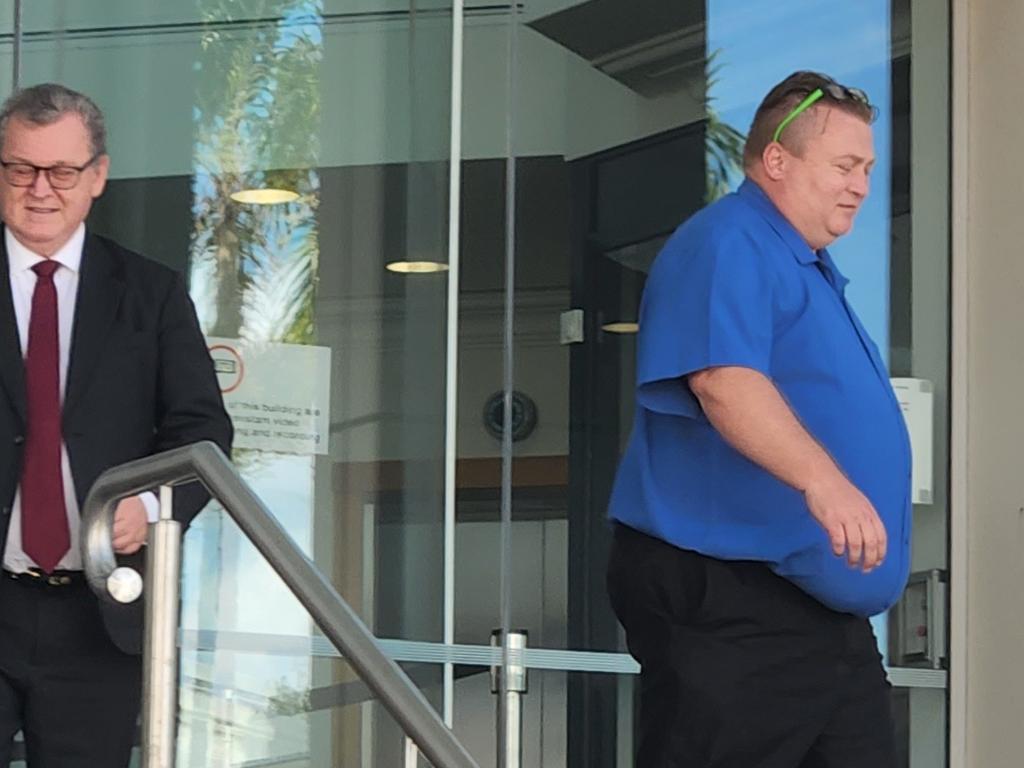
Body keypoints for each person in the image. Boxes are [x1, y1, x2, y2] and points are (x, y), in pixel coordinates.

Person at [606, 71, 911, 767]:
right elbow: (723, 380)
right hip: (732, 597)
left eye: (866, 167)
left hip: (816, 611)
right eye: (844, 165)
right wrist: (825, 482)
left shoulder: (804, 266)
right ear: (778, 160)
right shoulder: (731, 240)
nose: (861, 184)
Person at [0, 83, 232, 766]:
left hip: (101, 615)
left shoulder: (151, 293)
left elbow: (201, 433)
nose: (41, 189)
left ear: (97, 176)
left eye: (62, 171)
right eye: (20, 168)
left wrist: (154, 504)